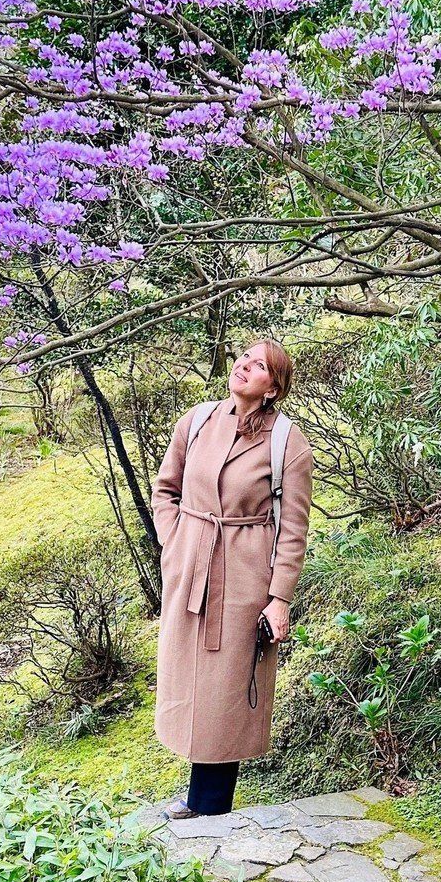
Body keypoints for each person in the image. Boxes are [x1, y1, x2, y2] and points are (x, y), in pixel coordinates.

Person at [152, 339, 313, 818]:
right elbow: (166, 489)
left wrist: (279, 598)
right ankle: (197, 797)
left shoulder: (287, 442)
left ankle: (209, 806)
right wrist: (175, 541)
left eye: (259, 365)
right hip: (190, 565)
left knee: (227, 686)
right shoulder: (197, 421)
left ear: (273, 388)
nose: (244, 364)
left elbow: (293, 529)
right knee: (188, 677)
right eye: (244, 355)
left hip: (245, 573)